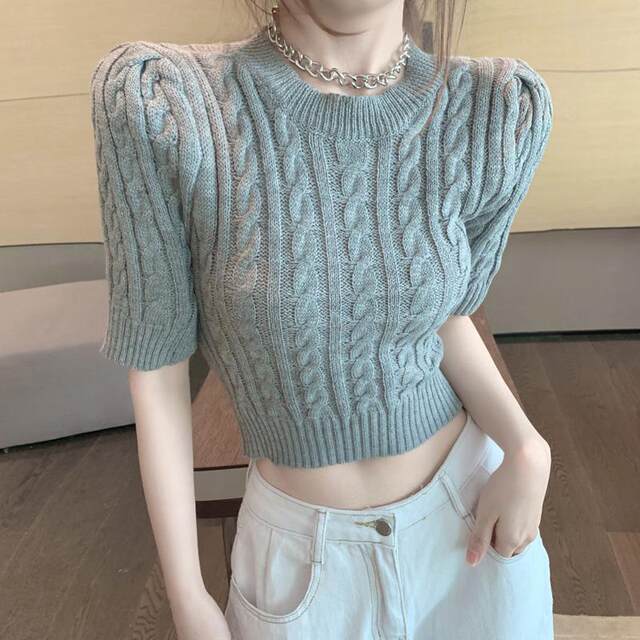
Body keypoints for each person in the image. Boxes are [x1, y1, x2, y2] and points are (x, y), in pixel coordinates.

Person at [89, 0, 554, 638]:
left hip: (470, 527)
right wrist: (187, 596)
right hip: (302, 565)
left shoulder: (487, 109)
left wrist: (527, 447)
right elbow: (158, 369)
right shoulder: (169, 105)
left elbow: (439, 319)